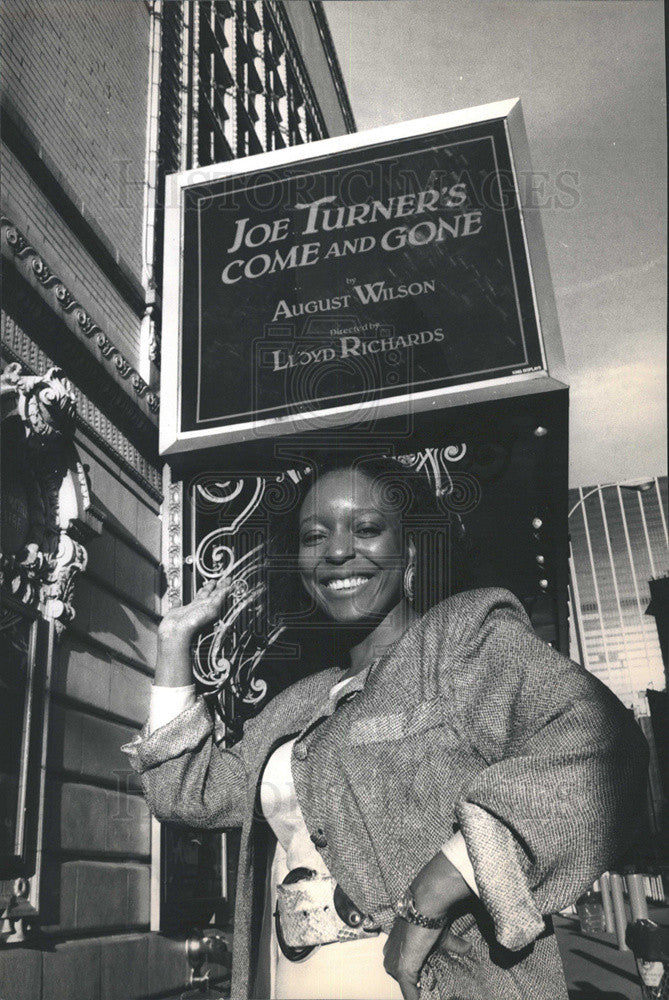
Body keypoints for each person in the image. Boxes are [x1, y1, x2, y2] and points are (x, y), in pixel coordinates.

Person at [123, 456, 648, 1000]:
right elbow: (184, 792)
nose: (336, 551)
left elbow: (605, 748)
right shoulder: (299, 703)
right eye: (314, 536)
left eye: (367, 529)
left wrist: (443, 881)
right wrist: (172, 642)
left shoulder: (461, 641)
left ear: (409, 552)